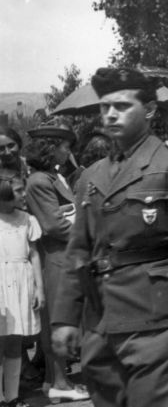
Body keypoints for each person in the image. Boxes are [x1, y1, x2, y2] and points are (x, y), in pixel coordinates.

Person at [51, 67, 168, 407]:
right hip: (101, 323)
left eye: (122, 106)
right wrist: (64, 318)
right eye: (105, 106)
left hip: (156, 321)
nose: (110, 114)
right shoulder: (92, 176)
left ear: (149, 110)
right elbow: (78, 250)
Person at [22, 121, 90, 403]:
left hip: (65, 255)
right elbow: (54, 225)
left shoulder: (54, 177)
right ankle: (60, 382)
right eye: (64, 147)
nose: (67, 152)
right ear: (50, 149)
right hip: (56, 257)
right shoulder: (39, 181)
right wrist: (87, 233)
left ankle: (55, 380)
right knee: (58, 319)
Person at [0, 169, 45, 407]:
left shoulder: (27, 219)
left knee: (15, 342)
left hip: (21, 282)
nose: (23, 194)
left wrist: (39, 288)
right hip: (1, 284)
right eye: (18, 190)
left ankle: (12, 397)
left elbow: (34, 255)